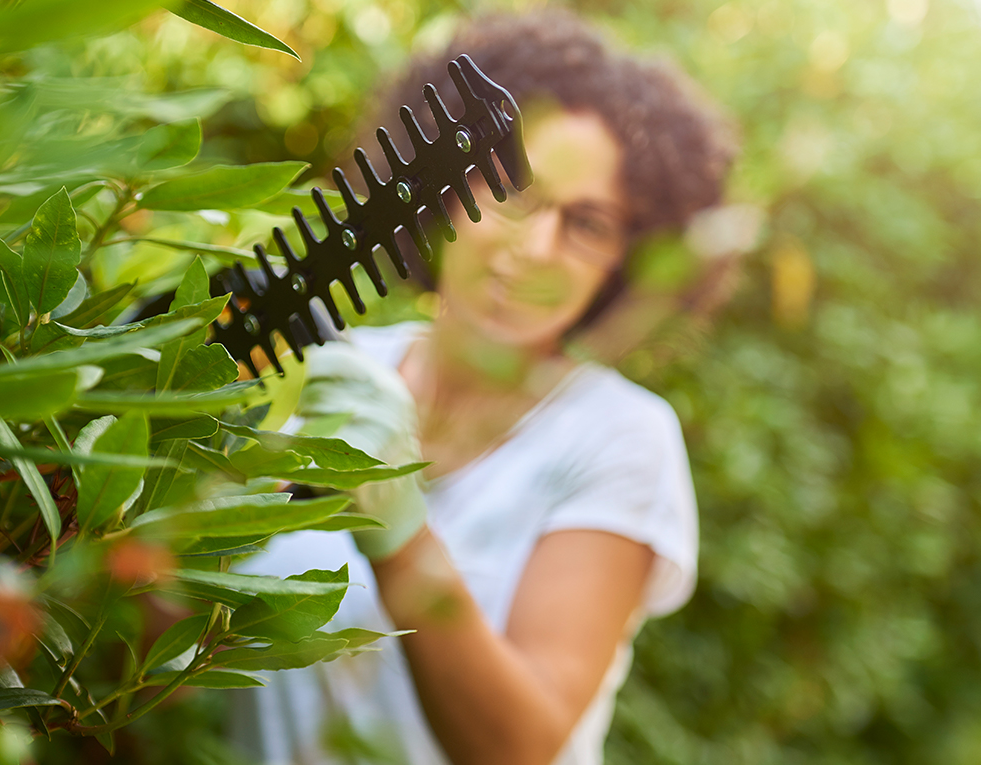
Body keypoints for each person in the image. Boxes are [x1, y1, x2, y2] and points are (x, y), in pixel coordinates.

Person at [229, 10, 733, 765]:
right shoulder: (330, 375)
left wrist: (400, 534)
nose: (535, 248)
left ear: (623, 263)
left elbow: (521, 743)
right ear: (448, 193)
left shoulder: (620, 437)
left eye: (588, 223)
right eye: (516, 192)